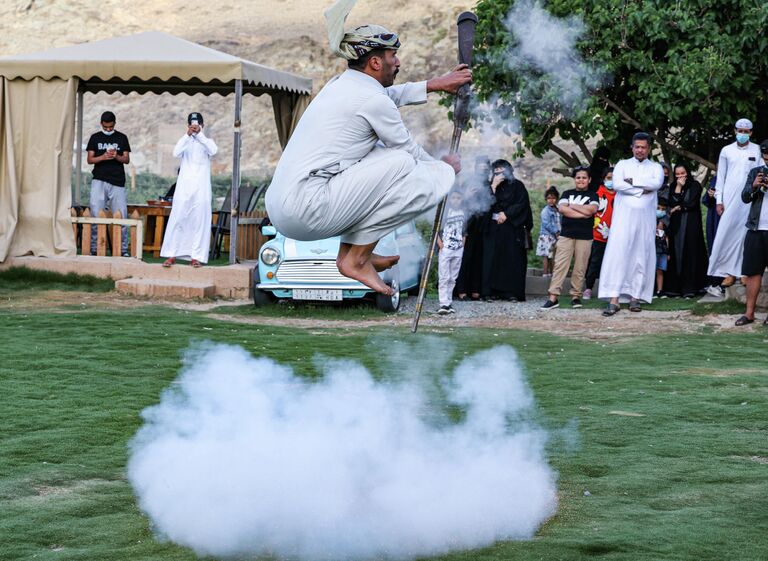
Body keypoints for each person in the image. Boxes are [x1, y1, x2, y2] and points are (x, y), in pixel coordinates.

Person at [264, 1, 472, 295]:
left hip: (283, 206)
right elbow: (409, 151)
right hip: (306, 209)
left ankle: (351, 253)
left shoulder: (343, 85)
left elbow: (388, 96)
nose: (398, 62)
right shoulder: (372, 100)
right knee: (404, 165)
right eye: (393, 56)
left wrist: (434, 84)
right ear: (375, 63)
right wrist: (445, 170)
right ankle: (357, 259)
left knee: (377, 157)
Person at [599, 132, 665, 315]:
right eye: (637, 147)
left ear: (649, 148)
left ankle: (635, 297)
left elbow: (656, 183)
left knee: (640, 256)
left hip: (645, 221)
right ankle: (614, 299)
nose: (640, 150)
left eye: (644, 147)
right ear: (632, 147)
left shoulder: (656, 168)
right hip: (622, 220)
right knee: (618, 255)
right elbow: (619, 184)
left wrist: (632, 183)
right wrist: (641, 189)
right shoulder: (622, 164)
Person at [706, 118, 762, 296]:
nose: (743, 134)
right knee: (727, 235)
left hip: (748, 199)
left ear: (751, 133)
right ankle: (728, 272)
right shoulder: (726, 150)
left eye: (746, 132)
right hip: (729, 199)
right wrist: (719, 200)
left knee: (746, 236)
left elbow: (760, 172)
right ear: (735, 131)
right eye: (740, 131)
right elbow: (721, 176)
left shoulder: (756, 149)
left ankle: (744, 272)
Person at [161, 112, 218, 268]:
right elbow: (176, 152)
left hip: (201, 188)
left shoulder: (207, 141)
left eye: (197, 125)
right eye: (192, 125)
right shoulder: (185, 141)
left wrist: (199, 135)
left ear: (202, 125)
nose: (194, 127)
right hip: (184, 188)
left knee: (199, 221)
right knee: (178, 218)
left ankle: (196, 256)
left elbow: (213, 151)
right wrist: (188, 135)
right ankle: (171, 254)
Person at [541, 166, 599, 310]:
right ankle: (553, 298)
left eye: (584, 177)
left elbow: (592, 210)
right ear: (574, 179)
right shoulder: (567, 193)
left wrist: (572, 207)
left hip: (585, 237)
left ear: (589, 179)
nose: (581, 180)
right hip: (566, 235)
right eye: (578, 177)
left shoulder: (593, 195)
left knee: (580, 267)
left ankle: (575, 296)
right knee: (560, 265)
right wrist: (583, 212)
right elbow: (562, 209)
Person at [481, 159, 533, 302]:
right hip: (493, 229)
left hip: (511, 229)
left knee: (511, 259)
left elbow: (522, 204)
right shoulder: (489, 186)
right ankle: (490, 291)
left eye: (502, 168)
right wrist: (493, 187)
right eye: (496, 169)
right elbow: (482, 205)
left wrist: (507, 214)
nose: (499, 172)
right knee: (491, 259)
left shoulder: (518, 186)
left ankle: (511, 292)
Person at [86, 111, 131, 256]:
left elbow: (126, 159)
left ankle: (122, 249)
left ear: (114, 124)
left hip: (117, 181)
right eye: (105, 127)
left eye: (111, 127)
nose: (108, 130)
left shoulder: (122, 138)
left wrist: (116, 156)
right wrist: (103, 157)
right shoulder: (95, 137)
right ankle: (95, 248)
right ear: (101, 124)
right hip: (99, 179)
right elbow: (90, 159)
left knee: (121, 214)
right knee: (96, 213)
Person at [735, 140, 768, 326]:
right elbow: (745, 197)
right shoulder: (756, 172)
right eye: (765, 157)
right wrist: (754, 186)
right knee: (753, 272)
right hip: (755, 228)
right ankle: (749, 313)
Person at [664, 163, 709, 297]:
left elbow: (691, 203)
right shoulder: (673, 186)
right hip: (676, 226)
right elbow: (672, 202)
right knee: (676, 252)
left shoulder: (695, 185)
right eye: (677, 174)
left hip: (691, 225)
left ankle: (691, 288)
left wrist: (680, 207)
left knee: (691, 252)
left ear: (687, 173)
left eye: (682, 173)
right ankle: (675, 288)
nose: (680, 177)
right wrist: (678, 187)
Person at [455, 156, 491, 301]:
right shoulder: (469, 182)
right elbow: (458, 201)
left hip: (483, 227)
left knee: (479, 258)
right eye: (480, 166)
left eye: (485, 167)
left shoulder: (489, 184)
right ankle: (462, 290)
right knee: (465, 258)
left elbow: (492, 204)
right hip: (468, 226)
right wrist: (467, 195)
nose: (483, 169)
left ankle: (476, 289)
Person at [583, 167, 615, 299]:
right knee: (595, 262)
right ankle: (588, 288)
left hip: (615, 237)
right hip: (598, 235)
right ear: (603, 179)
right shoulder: (597, 194)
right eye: (608, 178)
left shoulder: (621, 195)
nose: (611, 181)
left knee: (613, 264)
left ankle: (610, 290)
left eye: (613, 178)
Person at [437, 189, 467, 315]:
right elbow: (437, 230)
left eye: (458, 198)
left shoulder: (464, 213)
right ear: (450, 200)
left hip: (458, 249)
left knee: (453, 278)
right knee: (444, 276)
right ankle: (443, 303)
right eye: (453, 198)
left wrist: (462, 246)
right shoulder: (444, 213)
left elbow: (465, 232)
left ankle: (449, 303)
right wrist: (441, 245)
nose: (456, 200)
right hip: (446, 248)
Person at [536, 187, 560, 277]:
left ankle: (551, 273)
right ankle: (545, 273)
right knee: (546, 255)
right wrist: (557, 232)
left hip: (554, 236)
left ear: (557, 199)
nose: (551, 200)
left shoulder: (557, 210)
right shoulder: (546, 211)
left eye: (553, 198)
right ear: (546, 199)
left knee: (552, 255)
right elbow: (547, 224)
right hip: (547, 236)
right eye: (549, 198)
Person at [655, 197, 670, 297]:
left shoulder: (666, 222)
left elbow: (667, 238)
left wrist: (668, 252)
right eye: (658, 208)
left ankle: (660, 291)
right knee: (651, 270)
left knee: (660, 270)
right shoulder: (649, 220)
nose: (661, 211)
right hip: (652, 250)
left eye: (663, 209)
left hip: (662, 250)